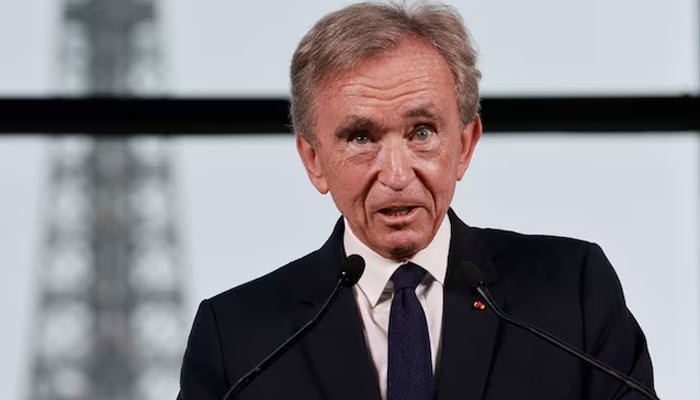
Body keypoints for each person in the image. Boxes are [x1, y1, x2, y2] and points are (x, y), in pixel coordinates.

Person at [178, 2, 655, 399]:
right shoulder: (238, 339)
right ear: (313, 159)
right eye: (361, 137)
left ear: (465, 145)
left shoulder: (572, 293)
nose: (397, 174)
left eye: (422, 132)